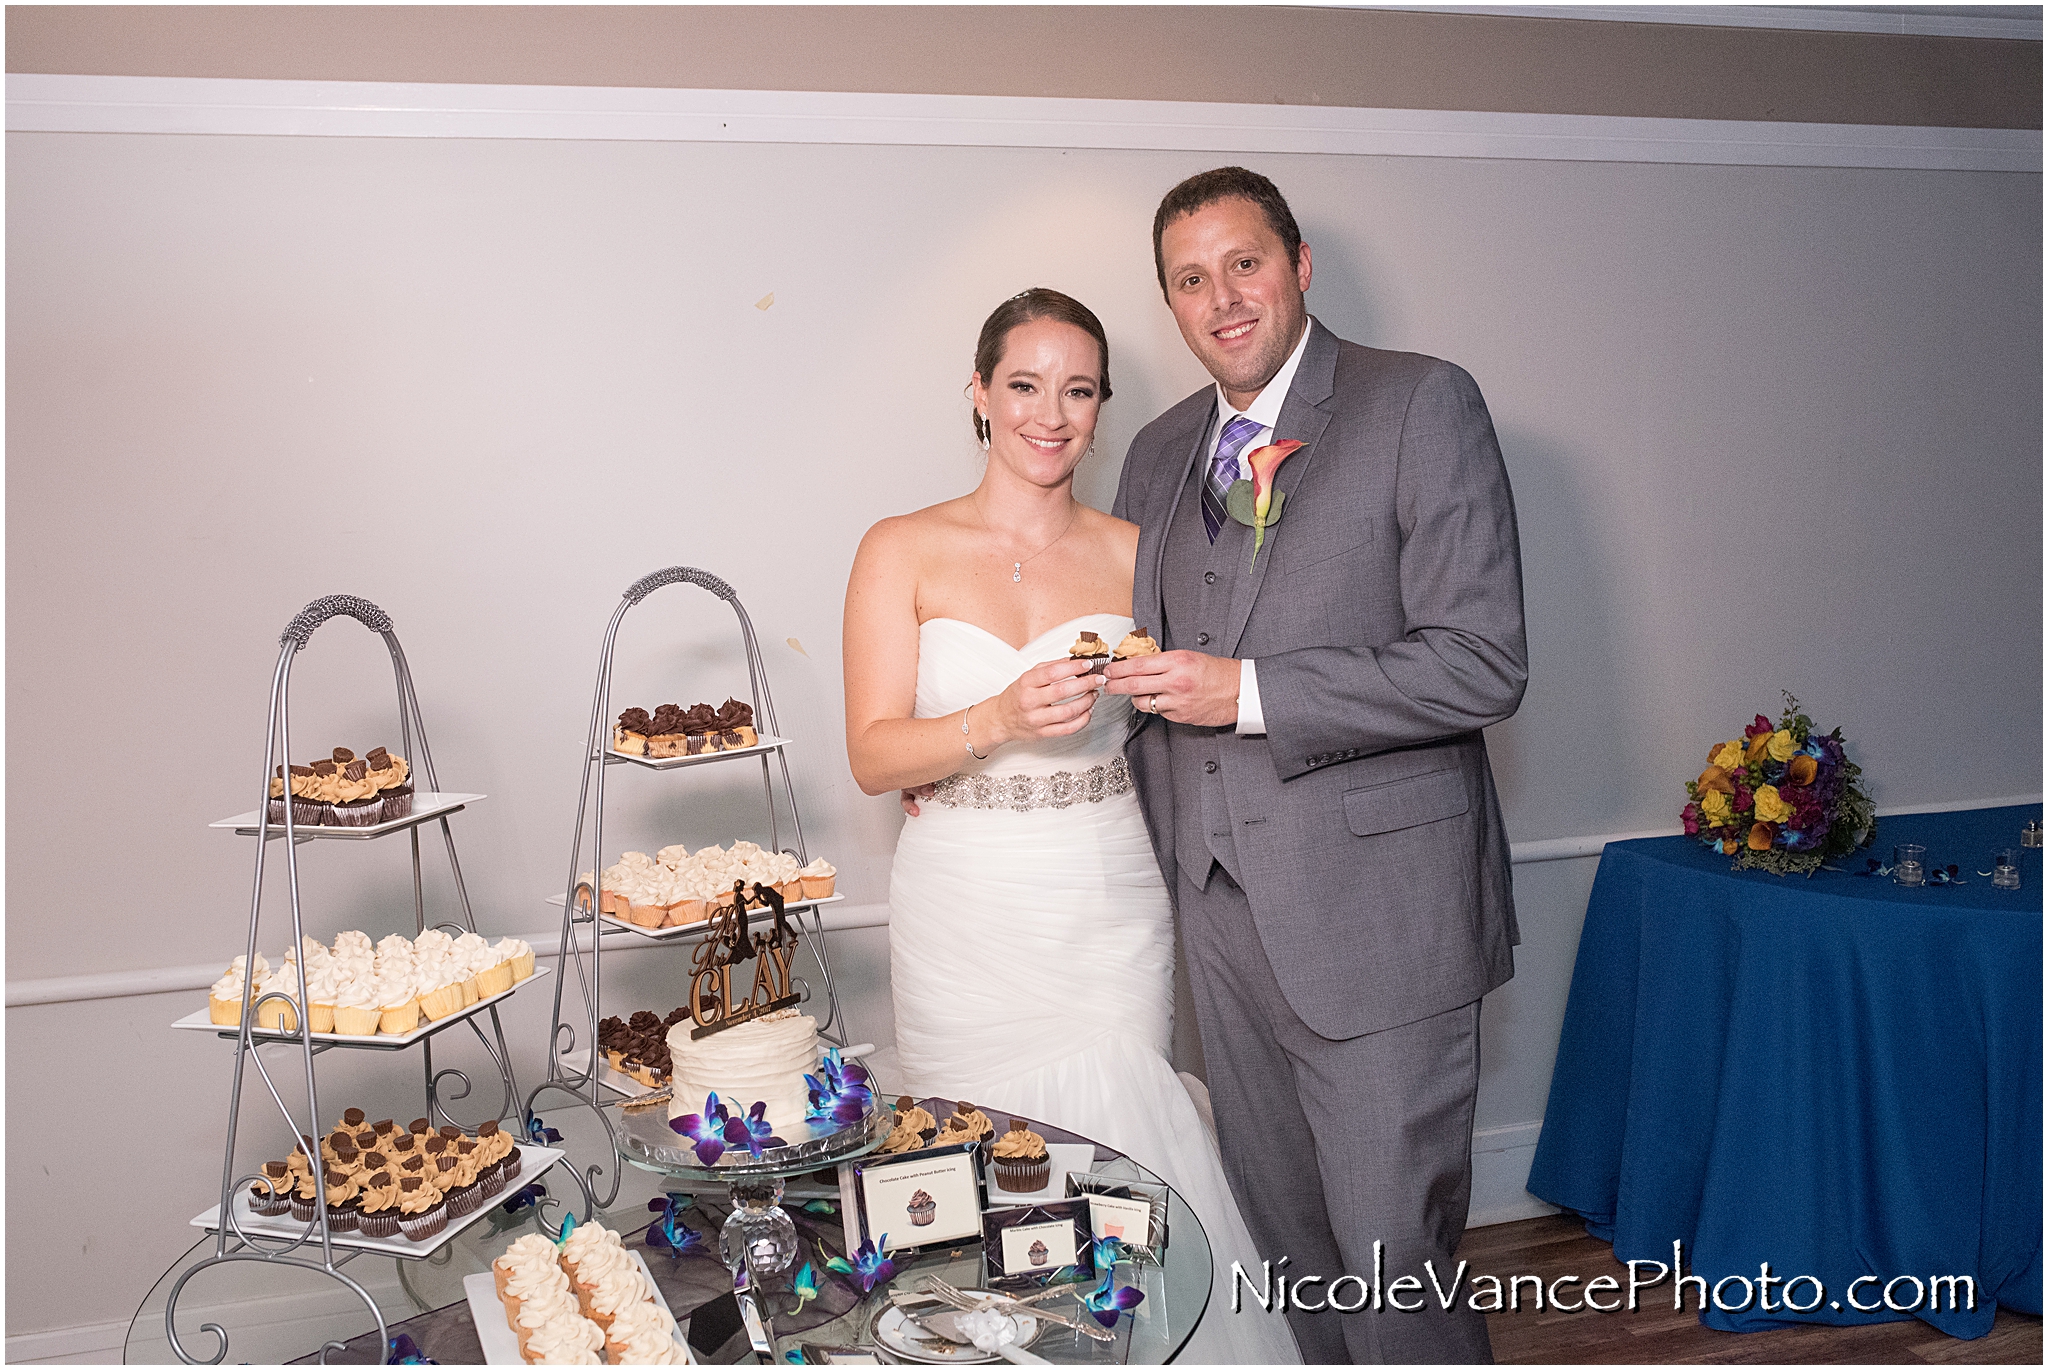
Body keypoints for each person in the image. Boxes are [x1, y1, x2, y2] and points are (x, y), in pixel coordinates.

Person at [1102, 167, 1528, 1364]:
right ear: (1168, 306)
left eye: (1243, 263)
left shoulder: (1418, 403)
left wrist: (1245, 694)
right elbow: (1147, 666)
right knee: (1294, 1256)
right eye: (1190, 280)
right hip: (1221, 922)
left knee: (1396, 1272)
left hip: (1380, 927)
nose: (1221, 298)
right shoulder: (1154, 453)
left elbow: (1478, 662)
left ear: (1297, 263)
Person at [843, 287, 1302, 1366]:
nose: (1049, 413)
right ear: (978, 393)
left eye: (1078, 389)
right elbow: (871, 753)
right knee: (974, 1168)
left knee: (1123, 1156)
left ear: (1099, 409)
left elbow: (1198, 713)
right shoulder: (898, 547)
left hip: (1104, 897)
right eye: (1024, 384)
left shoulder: (1139, 552)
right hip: (962, 906)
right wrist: (991, 719)